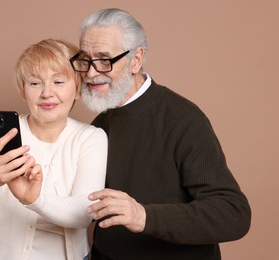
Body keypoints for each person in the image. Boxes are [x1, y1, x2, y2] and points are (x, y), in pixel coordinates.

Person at [69, 8, 251, 260]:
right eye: (85, 60)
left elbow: (234, 214)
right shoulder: (100, 123)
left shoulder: (184, 119)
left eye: (104, 59)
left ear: (136, 59)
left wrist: (144, 216)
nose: (90, 73)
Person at [0, 39, 108, 260]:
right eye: (35, 83)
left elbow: (83, 214)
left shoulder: (91, 138)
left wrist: (34, 199)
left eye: (58, 82)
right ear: (23, 91)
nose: (47, 93)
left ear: (78, 89)